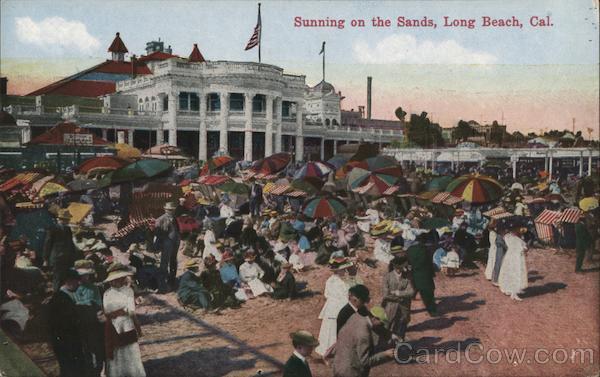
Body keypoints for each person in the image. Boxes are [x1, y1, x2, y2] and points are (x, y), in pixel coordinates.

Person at [103, 263, 145, 377]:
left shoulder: (127, 291)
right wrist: (119, 312)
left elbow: (131, 312)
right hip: (114, 326)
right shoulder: (107, 293)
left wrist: (137, 327)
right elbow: (107, 313)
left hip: (126, 325)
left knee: (128, 350)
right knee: (118, 352)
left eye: (120, 278)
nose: (117, 281)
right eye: (115, 279)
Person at [332, 306, 394, 377]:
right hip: (351, 372)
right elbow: (365, 361)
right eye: (381, 323)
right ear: (374, 318)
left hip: (338, 365)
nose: (381, 326)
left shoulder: (355, 317)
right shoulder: (364, 334)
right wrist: (385, 354)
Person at [47, 268, 85, 377]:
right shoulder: (61, 299)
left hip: (65, 340)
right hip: (66, 341)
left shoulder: (62, 296)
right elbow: (67, 322)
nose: (79, 284)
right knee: (71, 368)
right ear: (69, 281)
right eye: (77, 281)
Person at [315, 258, 352, 357]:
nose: (345, 271)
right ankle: (327, 351)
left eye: (345, 269)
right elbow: (328, 294)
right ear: (337, 270)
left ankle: (340, 349)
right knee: (331, 329)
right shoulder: (332, 281)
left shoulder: (344, 280)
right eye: (343, 269)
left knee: (341, 328)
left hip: (341, 305)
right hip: (334, 307)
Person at [74, 260, 104, 377]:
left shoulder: (93, 288)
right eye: (81, 275)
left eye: (86, 275)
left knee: (95, 347)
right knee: (82, 347)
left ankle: (97, 369)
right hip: (78, 322)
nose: (84, 277)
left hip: (92, 322)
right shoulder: (73, 288)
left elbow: (98, 304)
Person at [43, 209, 80, 291]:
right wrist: (45, 259)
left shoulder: (68, 229)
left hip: (67, 258)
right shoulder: (52, 229)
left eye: (67, 220)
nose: (66, 222)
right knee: (57, 277)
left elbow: (70, 243)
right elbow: (47, 244)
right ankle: (56, 295)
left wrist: (74, 256)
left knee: (65, 277)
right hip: (57, 258)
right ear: (59, 219)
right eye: (64, 220)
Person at [382, 256, 414, 341]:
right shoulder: (387, 277)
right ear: (394, 267)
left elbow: (411, 292)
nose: (401, 269)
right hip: (390, 308)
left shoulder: (407, 277)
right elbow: (385, 295)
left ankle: (399, 348)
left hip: (404, 309)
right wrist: (401, 298)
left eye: (402, 267)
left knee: (401, 329)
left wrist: (398, 293)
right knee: (386, 329)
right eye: (399, 267)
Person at [406, 234, 438, 316]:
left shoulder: (409, 249)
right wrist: (432, 273)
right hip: (424, 274)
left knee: (412, 289)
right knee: (428, 293)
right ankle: (432, 311)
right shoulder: (426, 250)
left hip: (412, 274)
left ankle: (407, 310)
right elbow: (429, 263)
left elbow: (407, 262)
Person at [154, 202, 181, 291]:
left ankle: (172, 280)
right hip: (166, 243)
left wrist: (177, 237)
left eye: (172, 210)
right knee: (164, 262)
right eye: (169, 210)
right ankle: (162, 284)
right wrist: (164, 240)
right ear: (165, 209)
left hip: (175, 242)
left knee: (173, 260)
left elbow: (178, 229)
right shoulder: (160, 219)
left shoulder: (175, 218)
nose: (171, 211)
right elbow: (157, 233)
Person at [498, 228, 528, 301]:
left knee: (511, 273)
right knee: (515, 274)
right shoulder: (517, 239)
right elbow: (523, 247)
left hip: (510, 257)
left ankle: (510, 289)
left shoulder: (508, 236)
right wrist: (524, 248)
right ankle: (514, 293)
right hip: (516, 259)